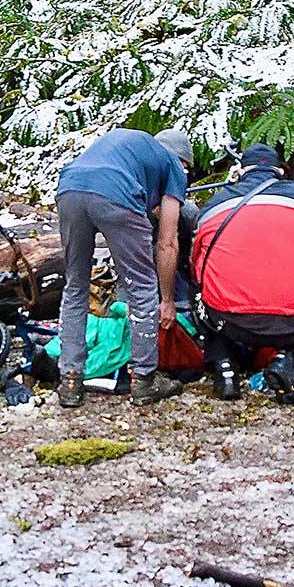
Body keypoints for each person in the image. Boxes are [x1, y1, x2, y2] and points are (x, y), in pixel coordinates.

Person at [54, 127, 194, 407]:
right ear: (183, 162)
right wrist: (167, 299)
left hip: (69, 188)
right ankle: (144, 380)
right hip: (115, 193)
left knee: (76, 286)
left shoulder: (134, 151)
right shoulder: (173, 167)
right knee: (142, 287)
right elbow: (167, 243)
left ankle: (70, 380)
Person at [190, 144, 294, 405]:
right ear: (280, 170)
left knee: (201, 303)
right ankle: (289, 363)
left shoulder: (216, 204)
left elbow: (198, 271)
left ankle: (224, 367)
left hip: (230, 322)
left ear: (242, 170)